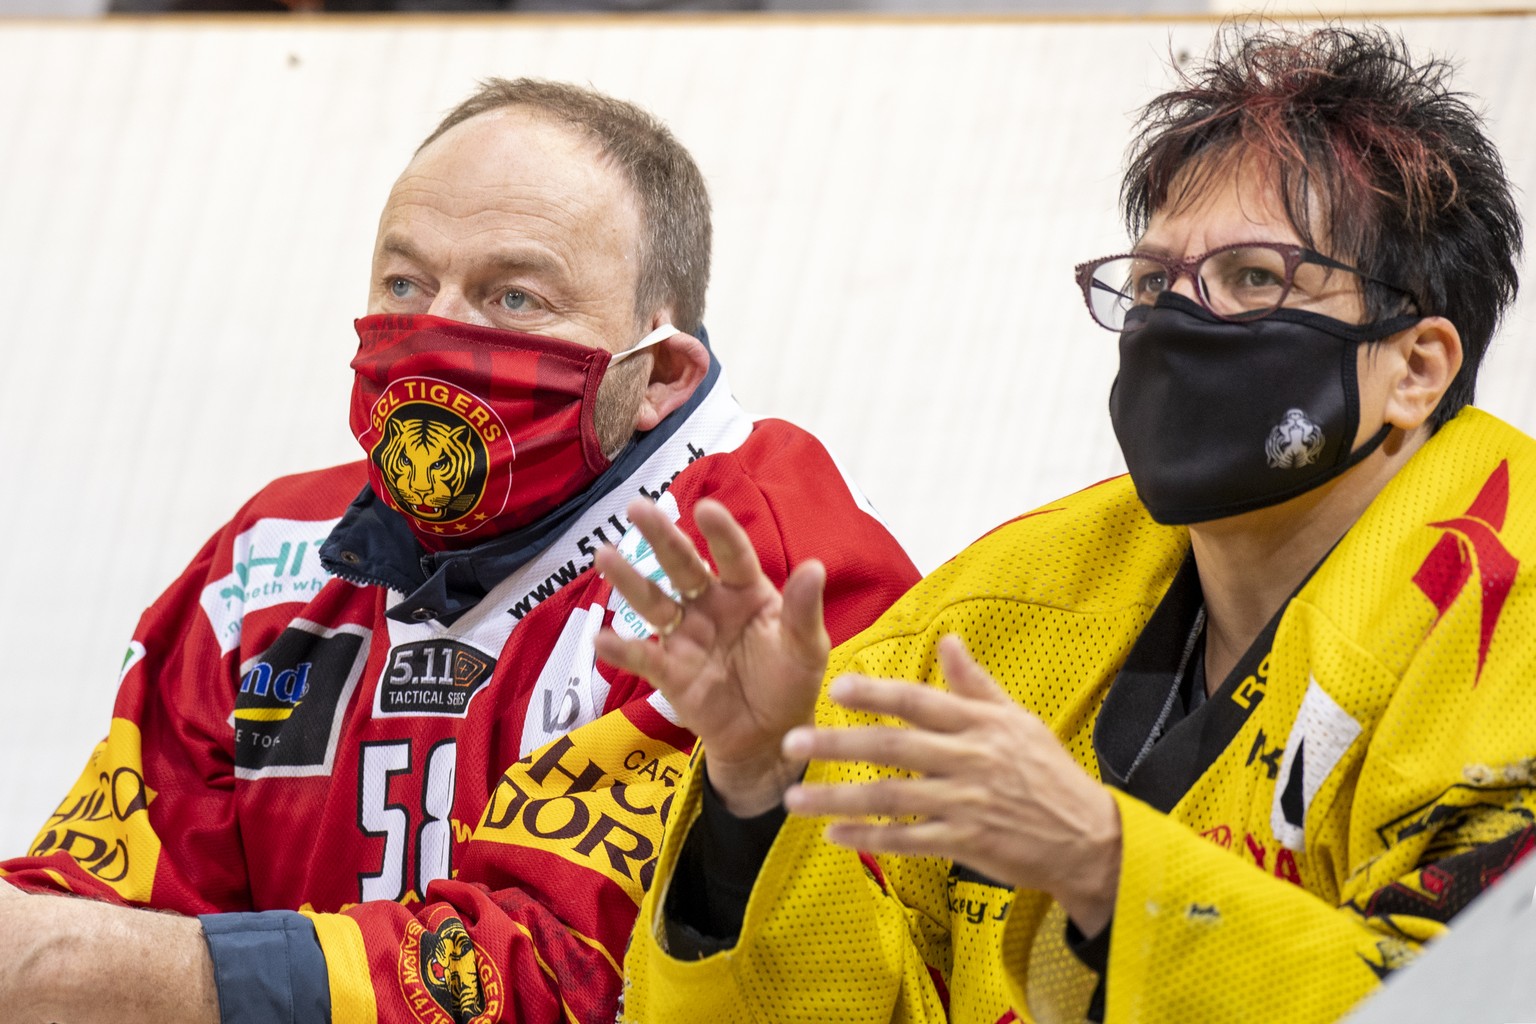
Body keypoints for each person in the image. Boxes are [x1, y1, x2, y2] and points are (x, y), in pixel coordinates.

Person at [601, 24, 1536, 1024]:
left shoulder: (1505, 620)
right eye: (1151, 282)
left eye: (1255, 278)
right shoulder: (993, 616)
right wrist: (751, 796)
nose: (1178, 320)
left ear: (1418, 367)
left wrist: (1107, 866)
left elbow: (1470, 1001)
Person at [0, 79, 919, 1023]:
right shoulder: (268, 558)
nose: (438, 331)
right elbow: (103, 892)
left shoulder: (755, 557)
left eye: (513, 297)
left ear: (664, 375)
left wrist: (101, 968)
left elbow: (585, 974)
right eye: (404, 284)